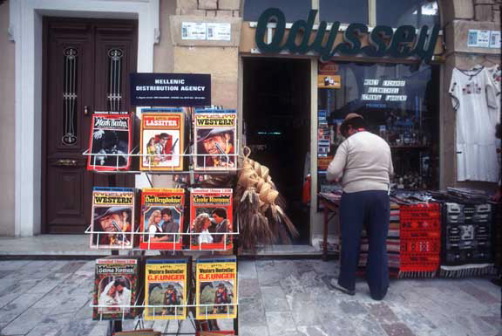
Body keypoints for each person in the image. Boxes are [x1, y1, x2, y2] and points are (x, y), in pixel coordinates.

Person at [324, 113, 393, 301]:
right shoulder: (383, 143)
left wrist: (344, 172)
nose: (345, 136)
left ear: (350, 129)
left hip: (354, 196)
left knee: (351, 240)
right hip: (380, 196)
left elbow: (332, 173)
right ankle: (378, 290)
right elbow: (391, 172)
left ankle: (347, 283)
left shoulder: (349, 143)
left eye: (345, 132)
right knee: (378, 243)